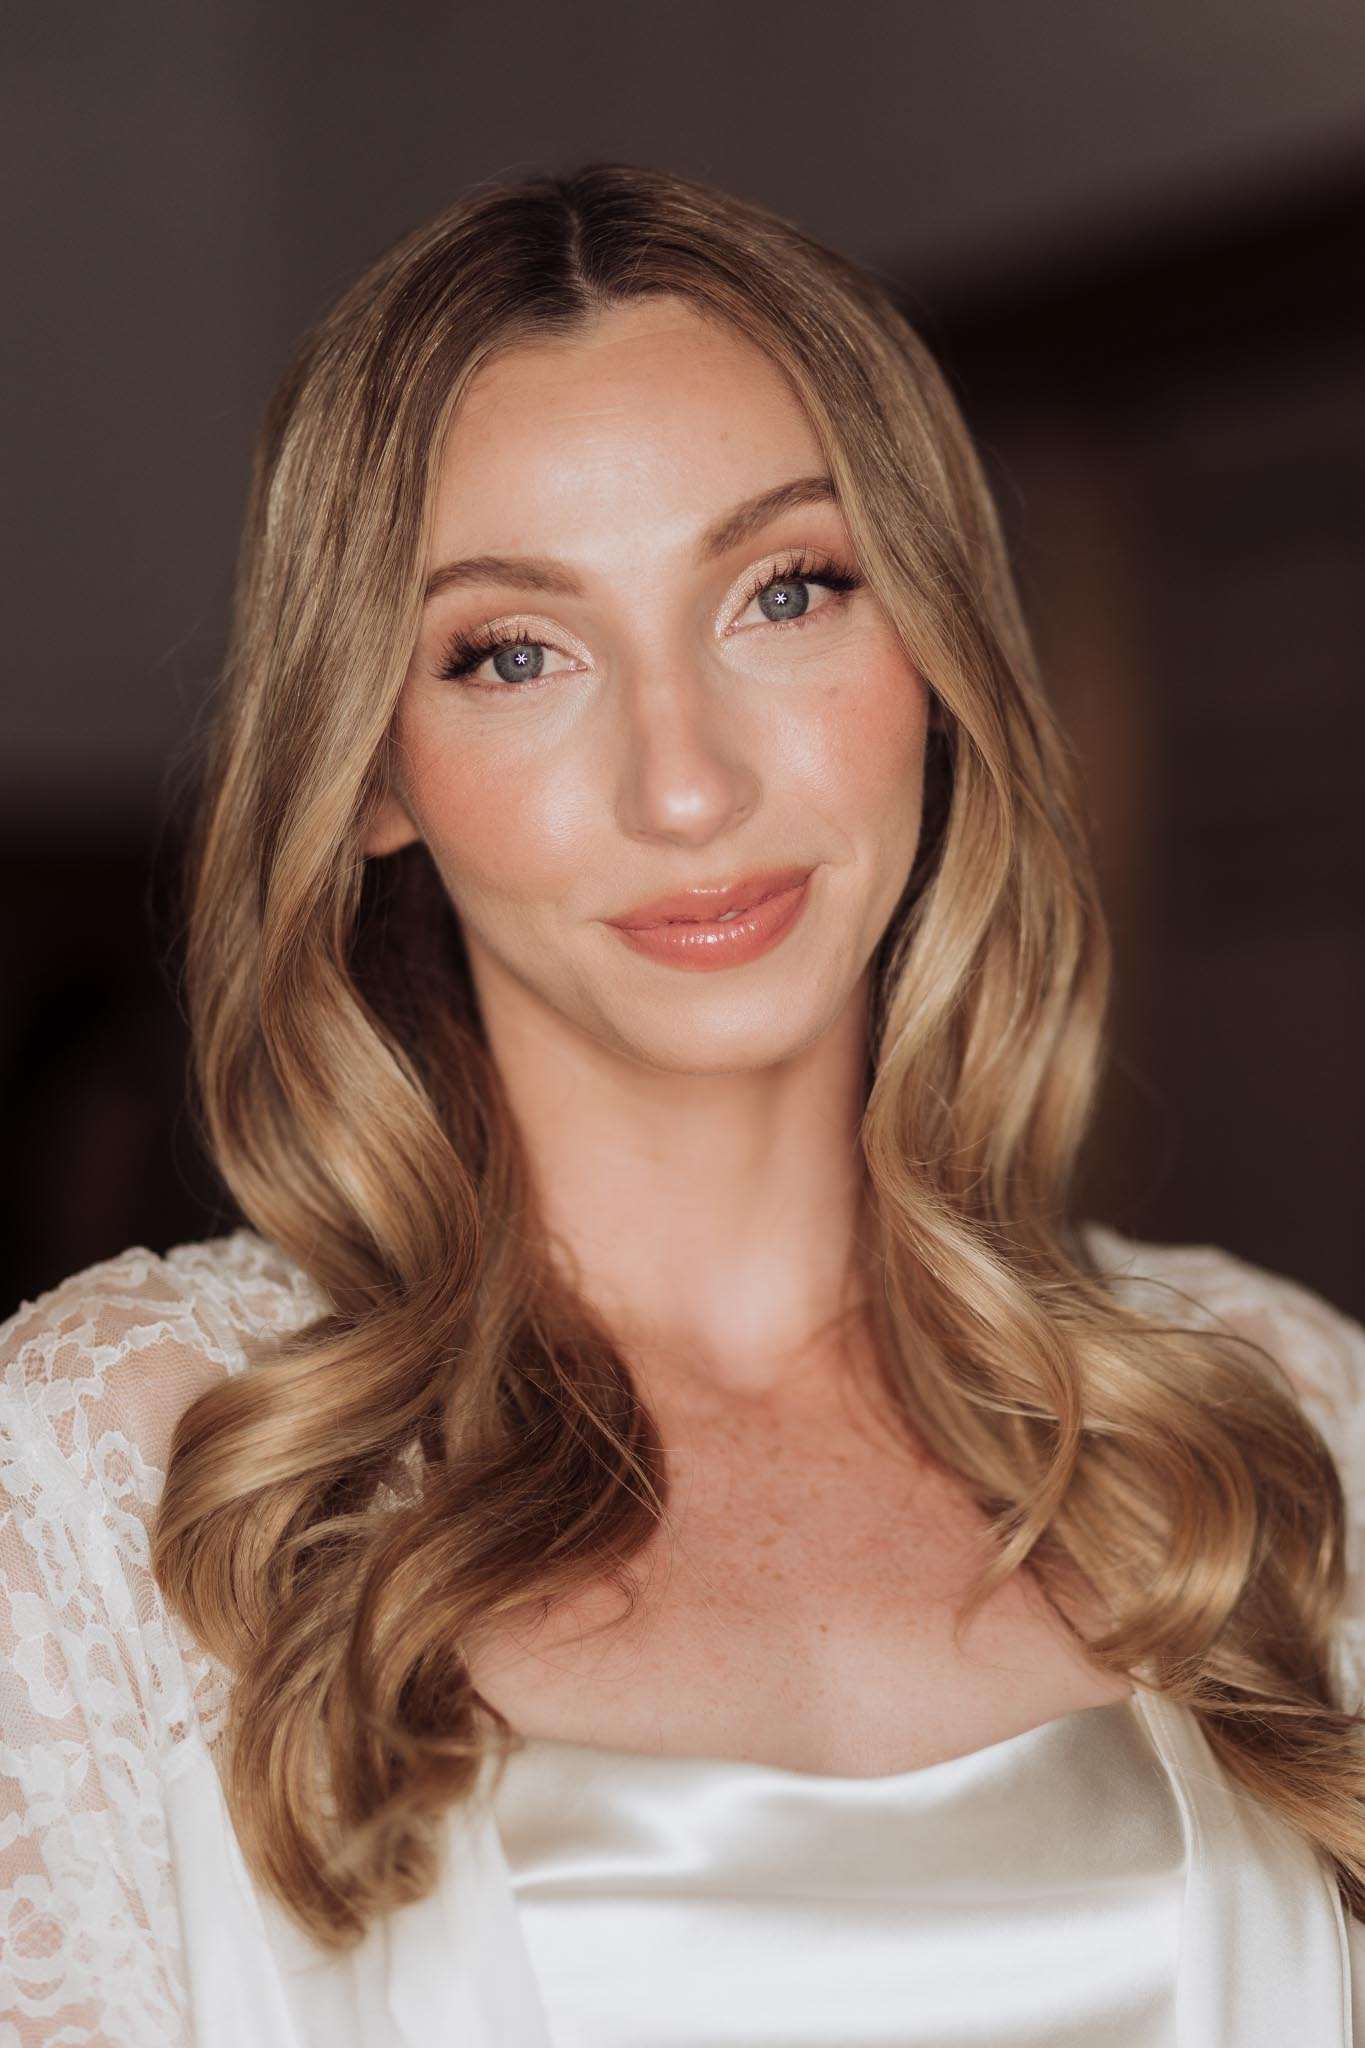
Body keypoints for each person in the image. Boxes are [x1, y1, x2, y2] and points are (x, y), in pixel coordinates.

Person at [2, 160, 1363, 2048]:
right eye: (514, 652)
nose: (687, 783)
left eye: (784, 591)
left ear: (939, 657)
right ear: (373, 765)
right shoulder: (122, 1471)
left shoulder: (1275, 1417)